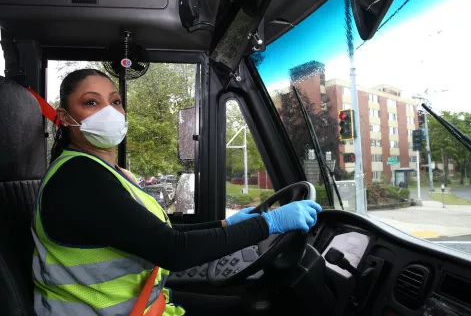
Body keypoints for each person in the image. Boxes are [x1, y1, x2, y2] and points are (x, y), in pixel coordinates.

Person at [31, 69, 322, 316]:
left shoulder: (100, 171)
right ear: (66, 117)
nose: (110, 111)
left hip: (138, 305)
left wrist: (226, 223)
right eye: (91, 103)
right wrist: (268, 224)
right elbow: (173, 250)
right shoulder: (79, 178)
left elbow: (153, 232)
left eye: (116, 101)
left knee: (240, 306)